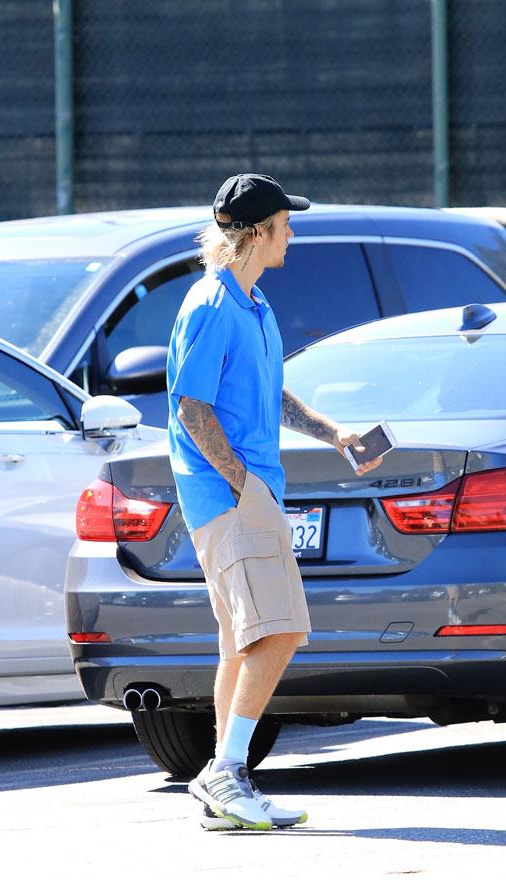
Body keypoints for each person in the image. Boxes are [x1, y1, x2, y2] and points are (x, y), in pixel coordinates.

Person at [166, 173, 383, 831]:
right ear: (257, 231)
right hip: (232, 498)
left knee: (240, 640)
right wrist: (243, 485)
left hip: (246, 494)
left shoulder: (253, 305)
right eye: (285, 223)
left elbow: (272, 396)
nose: (293, 232)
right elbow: (191, 407)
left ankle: (222, 782)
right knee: (282, 629)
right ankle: (226, 774)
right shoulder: (210, 306)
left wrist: (333, 432)